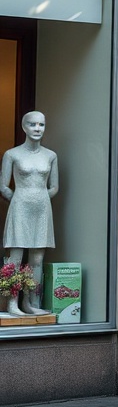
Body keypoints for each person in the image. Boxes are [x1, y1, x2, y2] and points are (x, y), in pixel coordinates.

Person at [1, 111, 59, 316]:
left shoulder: (50, 155)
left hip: (42, 209)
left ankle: (31, 302)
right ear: (23, 127)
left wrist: (39, 199)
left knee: (37, 258)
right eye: (32, 124)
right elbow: (3, 187)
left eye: (41, 125)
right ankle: (12, 303)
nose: (37, 129)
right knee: (15, 257)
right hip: (20, 207)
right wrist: (20, 200)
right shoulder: (12, 154)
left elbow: (54, 187)